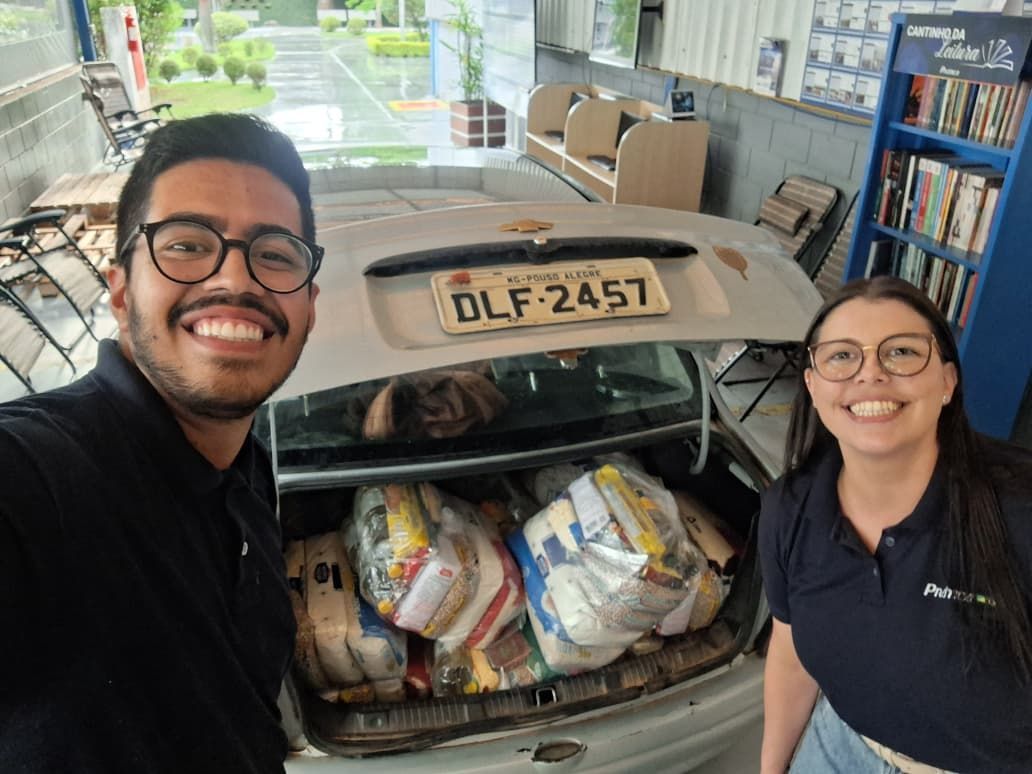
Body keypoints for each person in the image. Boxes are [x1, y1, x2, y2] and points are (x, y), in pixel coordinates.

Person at [0, 114, 321, 773]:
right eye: (185, 244)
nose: (236, 281)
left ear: (309, 305)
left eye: (275, 254)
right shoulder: (44, 475)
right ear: (120, 292)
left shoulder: (244, 463)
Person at [759, 276, 1032, 774]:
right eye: (842, 356)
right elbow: (791, 655)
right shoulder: (790, 507)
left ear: (947, 382)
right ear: (813, 385)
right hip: (837, 749)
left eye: (901, 352)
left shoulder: (1019, 508)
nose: (871, 376)